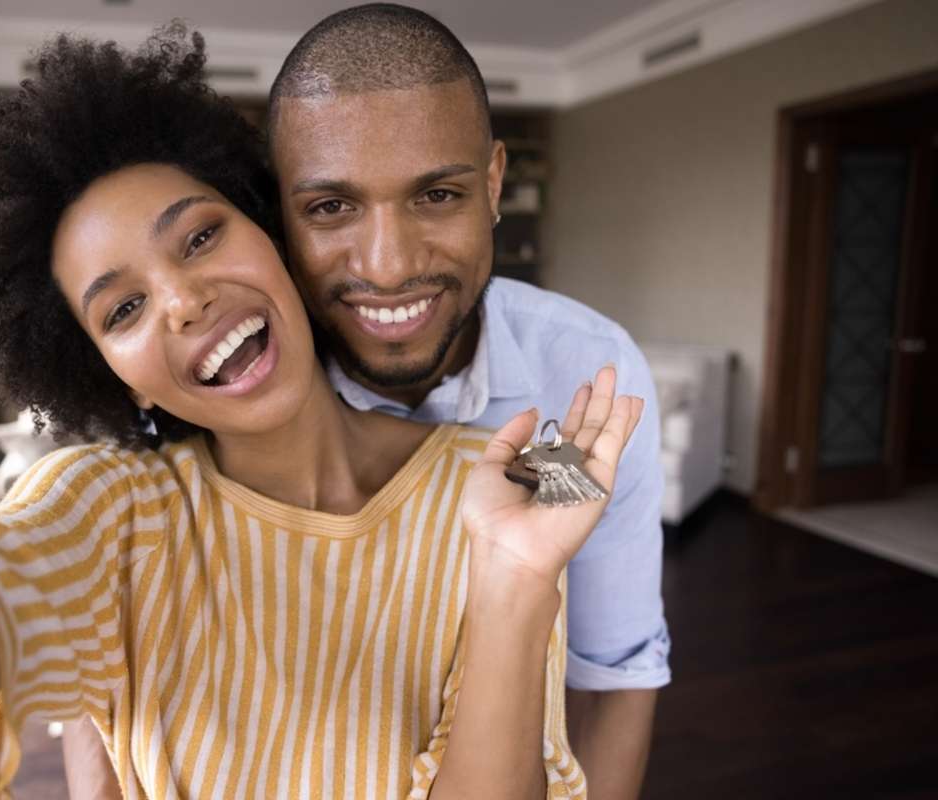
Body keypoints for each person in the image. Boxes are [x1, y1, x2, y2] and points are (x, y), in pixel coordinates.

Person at [0, 31, 644, 800]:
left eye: (201, 236)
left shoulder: (506, 478)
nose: (180, 301)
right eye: (122, 309)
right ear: (113, 376)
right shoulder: (108, 517)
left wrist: (516, 578)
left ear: (269, 238)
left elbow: (627, 668)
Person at [68, 5, 670, 799]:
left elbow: (616, 666)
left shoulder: (577, 387)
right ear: (275, 211)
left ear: (493, 184)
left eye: (438, 196)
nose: (388, 268)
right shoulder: (236, 369)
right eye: (330, 208)